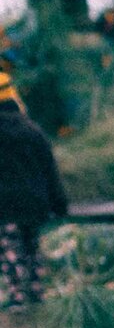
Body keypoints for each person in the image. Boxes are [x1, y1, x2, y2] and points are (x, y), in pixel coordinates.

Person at [0, 81, 68, 311]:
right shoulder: (32, 129)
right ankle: (37, 290)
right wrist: (59, 203)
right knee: (32, 246)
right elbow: (49, 169)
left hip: (5, 204)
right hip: (34, 202)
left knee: (11, 249)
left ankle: (18, 295)